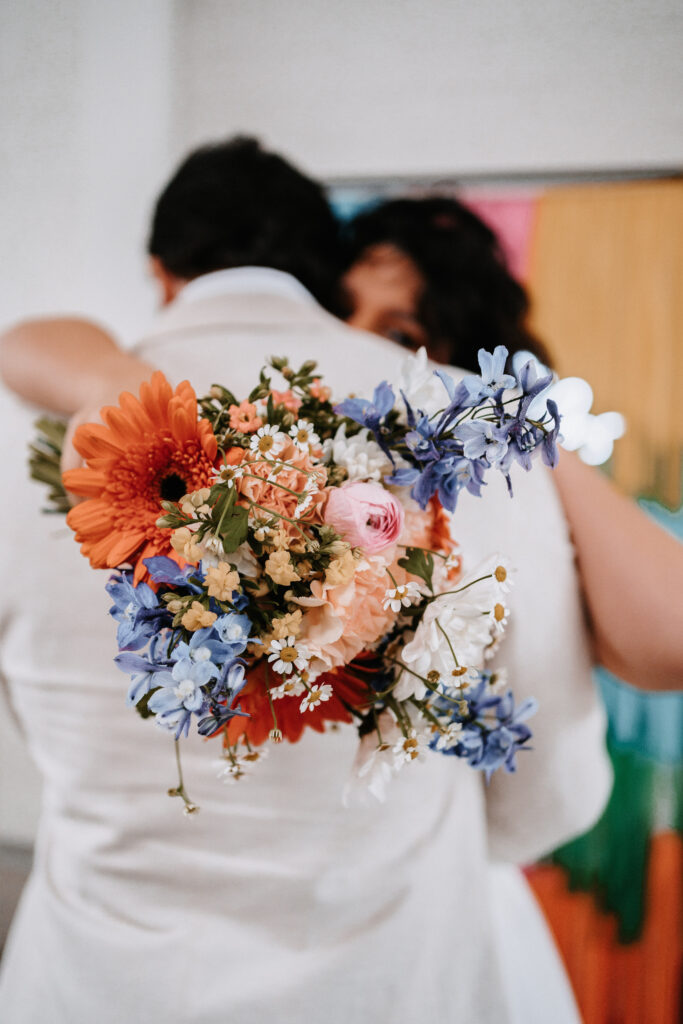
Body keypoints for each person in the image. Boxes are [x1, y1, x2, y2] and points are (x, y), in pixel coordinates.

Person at [0, 138, 611, 1023]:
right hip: (392, 982)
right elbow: (552, 782)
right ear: (323, 275)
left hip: (99, 981)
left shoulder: (29, 439)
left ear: (161, 272)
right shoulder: (470, 429)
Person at [342, 196, 683, 694]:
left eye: (397, 334)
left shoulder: (501, 485)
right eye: (339, 312)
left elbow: (672, 637)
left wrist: (521, 428)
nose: (350, 342)